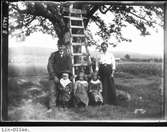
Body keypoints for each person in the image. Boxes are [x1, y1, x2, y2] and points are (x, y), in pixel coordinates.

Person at [47, 40, 72, 109]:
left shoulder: (67, 56)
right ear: (57, 46)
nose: (60, 47)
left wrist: (67, 76)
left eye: (62, 46)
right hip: (54, 75)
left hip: (64, 76)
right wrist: (54, 76)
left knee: (64, 91)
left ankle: (63, 105)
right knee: (52, 91)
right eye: (59, 46)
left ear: (65, 47)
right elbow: (49, 66)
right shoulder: (53, 54)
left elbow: (69, 67)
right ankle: (52, 107)